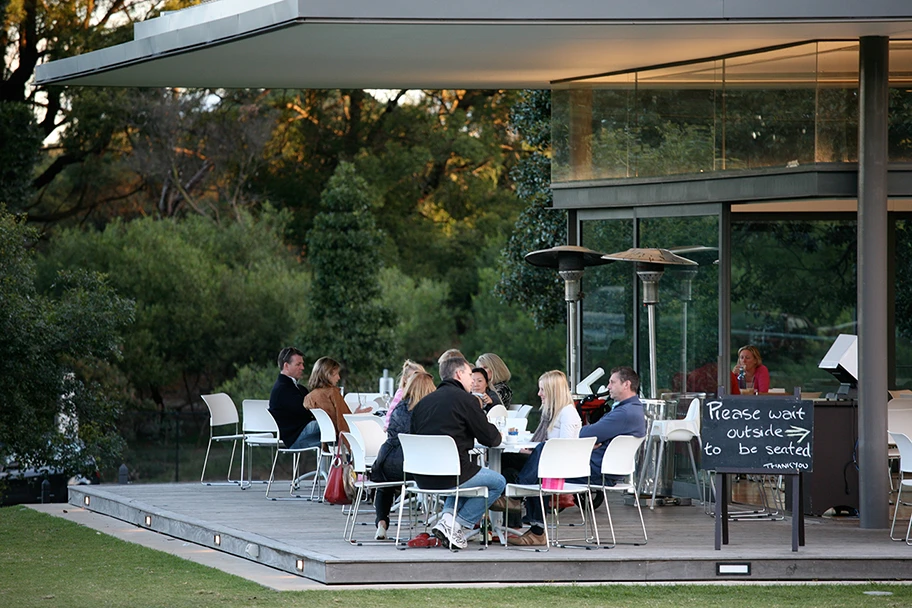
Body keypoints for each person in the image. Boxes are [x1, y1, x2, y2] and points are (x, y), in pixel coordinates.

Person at [410, 356, 505, 550]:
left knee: (461, 478)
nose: (473, 379)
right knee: (498, 482)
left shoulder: (422, 403)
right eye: (470, 374)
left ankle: (446, 518)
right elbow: (490, 439)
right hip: (453, 474)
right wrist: (498, 431)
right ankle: (456, 524)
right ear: (459, 374)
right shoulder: (466, 400)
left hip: (421, 477)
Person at [506, 370, 583, 546]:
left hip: (558, 466)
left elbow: (565, 448)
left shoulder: (567, 413)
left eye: (542, 390)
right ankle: (528, 520)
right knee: (507, 459)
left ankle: (517, 499)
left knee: (536, 462)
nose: (539, 394)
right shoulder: (552, 413)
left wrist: (537, 451)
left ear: (553, 391)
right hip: (547, 462)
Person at [370, 371, 436, 540]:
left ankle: (381, 524)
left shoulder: (399, 407)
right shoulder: (429, 412)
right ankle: (442, 521)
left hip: (388, 460)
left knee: (385, 487)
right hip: (414, 466)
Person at [303, 357, 370, 440]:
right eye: (336, 374)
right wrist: (357, 417)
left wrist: (354, 414)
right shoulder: (332, 393)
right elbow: (342, 422)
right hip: (341, 438)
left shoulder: (309, 397)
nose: (339, 377)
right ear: (327, 375)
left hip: (325, 439)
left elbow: (334, 418)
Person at [268, 347, 319, 450]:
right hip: (294, 437)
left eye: (302, 364)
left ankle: (335, 464)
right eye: (298, 364)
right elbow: (306, 410)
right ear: (286, 366)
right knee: (334, 423)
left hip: (298, 432)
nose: (302, 367)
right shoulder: (282, 389)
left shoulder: (294, 387)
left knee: (334, 434)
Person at [383, 359, 425, 430]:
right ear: (405, 379)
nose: (415, 381)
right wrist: (387, 426)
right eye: (412, 378)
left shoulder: (424, 393)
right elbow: (391, 411)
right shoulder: (401, 393)